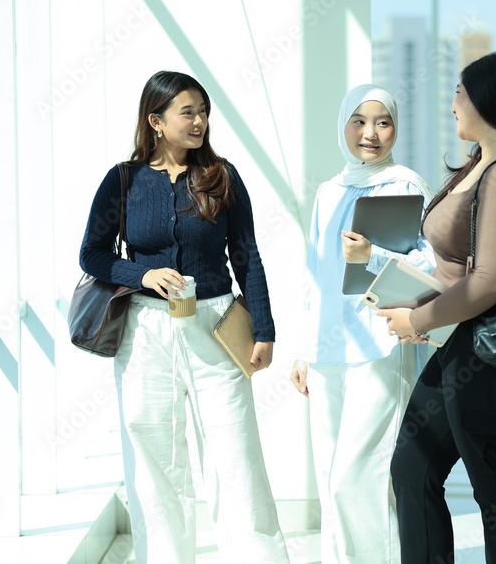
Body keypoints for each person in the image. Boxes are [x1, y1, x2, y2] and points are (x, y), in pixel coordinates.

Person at [79, 71, 289, 563]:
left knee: (236, 458)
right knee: (155, 463)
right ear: (156, 121)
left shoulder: (222, 176)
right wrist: (142, 274)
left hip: (215, 327)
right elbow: (92, 254)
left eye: (203, 112)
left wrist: (264, 328)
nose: (199, 122)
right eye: (187, 112)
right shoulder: (123, 180)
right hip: (145, 331)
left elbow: (247, 255)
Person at [379, 52, 496, 563]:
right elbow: (461, 267)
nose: (452, 103)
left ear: (488, 99)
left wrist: (418, 318)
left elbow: (489, 281)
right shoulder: (481, 165)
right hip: (464, 344)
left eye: (459, 92)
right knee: (412, 467)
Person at [289, 84, 436, 563]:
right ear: (343, 126)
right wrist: (303, 347)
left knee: (361, 478)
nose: (370, 133)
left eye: (382, 122)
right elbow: (314, 276)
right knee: (331, 478)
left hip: (381, 345)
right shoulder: (328, 191)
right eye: (359, 121)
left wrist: (372, 255)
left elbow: (430, 266)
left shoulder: (406, 185)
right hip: (327, 350)